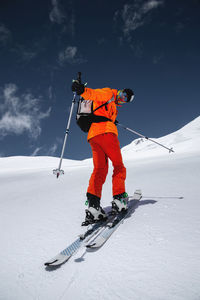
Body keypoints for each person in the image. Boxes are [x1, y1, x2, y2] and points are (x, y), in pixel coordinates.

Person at [71, 80, 134, 224]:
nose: (123, 99)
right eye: (124, 95)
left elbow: (98, 110)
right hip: (106, 133)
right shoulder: (109, 93)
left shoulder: (113, 106)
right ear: (120, 91)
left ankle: (93, 205)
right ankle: (119, 198)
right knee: (118, 166)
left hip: (93, 136)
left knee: (99, 169)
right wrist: (82, 90)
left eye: (126, 100)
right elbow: (93, 94)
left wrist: (112, 119)